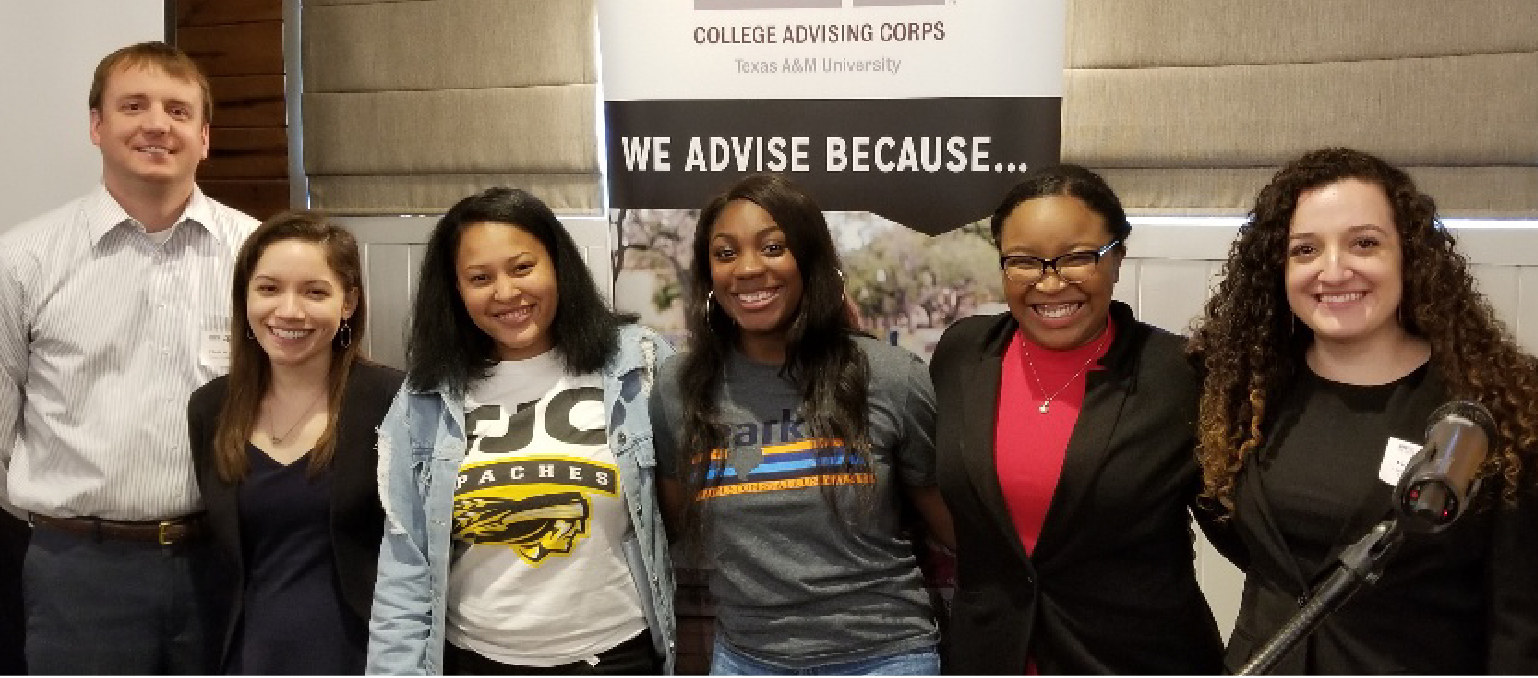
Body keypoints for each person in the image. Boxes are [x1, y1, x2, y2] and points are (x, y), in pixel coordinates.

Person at [1190, 147, 1538, 673]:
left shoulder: (1495, 406)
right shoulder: (1246, 391)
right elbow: (1251, 544)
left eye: (1364, 243)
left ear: (1409, 256)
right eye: (1305, 250)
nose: (1333, 271)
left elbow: (1521, 617)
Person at [0, 41, 258, 673]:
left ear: (203, 136)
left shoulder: (257, 257)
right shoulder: (21, 261)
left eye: (178, 110)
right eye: (133, 106)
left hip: (226, 563)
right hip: (79, 573)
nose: (156, 124)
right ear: (97, 125)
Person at [651, 173, 954, 675]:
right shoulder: (679, 388)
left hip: (885, 657)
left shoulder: (891, 377)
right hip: (746, 660)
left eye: (773, 247)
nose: (749, 268)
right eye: (725, 253)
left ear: (810, 259)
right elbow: (671, 523)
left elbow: (947, 522)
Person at [928, 164, 1223, 674]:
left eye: (1077, 258)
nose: (1050, 282)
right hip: (991, 655)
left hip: (1132, 659)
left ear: (1117, 258)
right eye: (1024, 262)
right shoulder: (963, 353)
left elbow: (1242, 521)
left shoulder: (1178, 373)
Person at [368, 187, 677, 675]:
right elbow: (406, 564)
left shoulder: (637, 364)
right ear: (455, 289)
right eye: (480, 278)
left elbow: (683, 503)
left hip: (616, 656)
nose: (506, 292)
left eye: (522, 268)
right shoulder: (426, 396)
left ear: (557, 265)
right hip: (476, 661)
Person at [187, 211, 403, 673]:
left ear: (348, 302)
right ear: (245, 297)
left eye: (314, 292)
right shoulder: (210, 408)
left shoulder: (394, 401)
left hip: (363, 656)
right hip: (247, 654)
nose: (288, 311)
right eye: (268, 288)